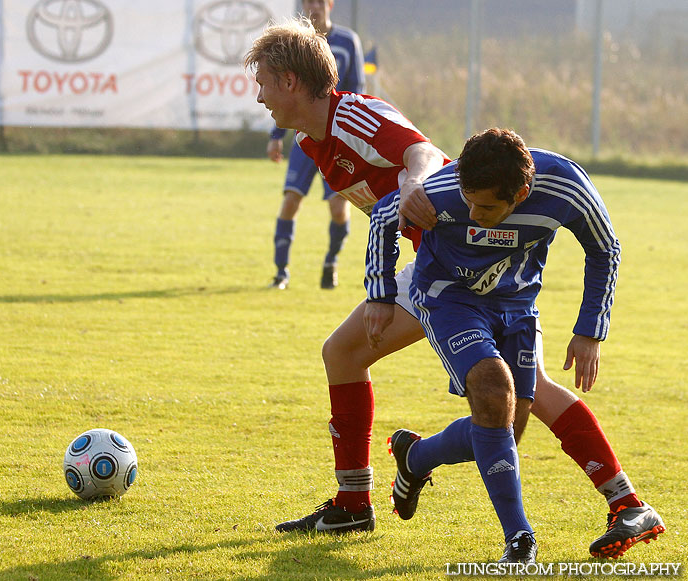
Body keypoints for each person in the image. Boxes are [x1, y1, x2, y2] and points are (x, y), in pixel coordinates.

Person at [244, 18, 664, 559]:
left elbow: (420, 151)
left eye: (263, 81)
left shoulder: (353, 115)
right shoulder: (312, 136)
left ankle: (377, 489)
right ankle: (618, 497)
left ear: (290, 81)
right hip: (441, 261)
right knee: (497, 405)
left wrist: (414, 187)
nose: (258, 95)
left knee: (468, 393)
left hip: (451, 265)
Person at [267, 0, 365, 290]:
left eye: (318, 1)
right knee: (290, 201)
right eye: (308, 1)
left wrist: (354, 136)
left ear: (329, 4)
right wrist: (275, 136)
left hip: (336, 141)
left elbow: (357, 89)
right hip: (302, 138)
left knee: (338, 209)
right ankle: (281, 272)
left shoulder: (347, 42)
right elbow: (286, 94)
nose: (313, 7)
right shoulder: (297, 44)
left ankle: (330, 262)